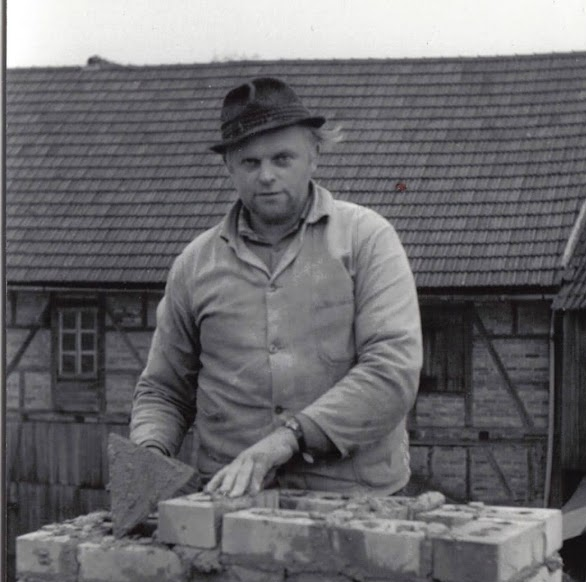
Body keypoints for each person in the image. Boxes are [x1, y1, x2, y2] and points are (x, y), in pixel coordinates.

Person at [130, 76, 422, 498]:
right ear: (228, 166)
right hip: (229, 503)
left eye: (282, 158)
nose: (266, 176)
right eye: (250, 162)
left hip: (352, 500)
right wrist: (150, 451)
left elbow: (392, 371)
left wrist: (286, 440)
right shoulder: (194, 264)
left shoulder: (367, 240)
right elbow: (163, 389)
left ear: (314, 155)